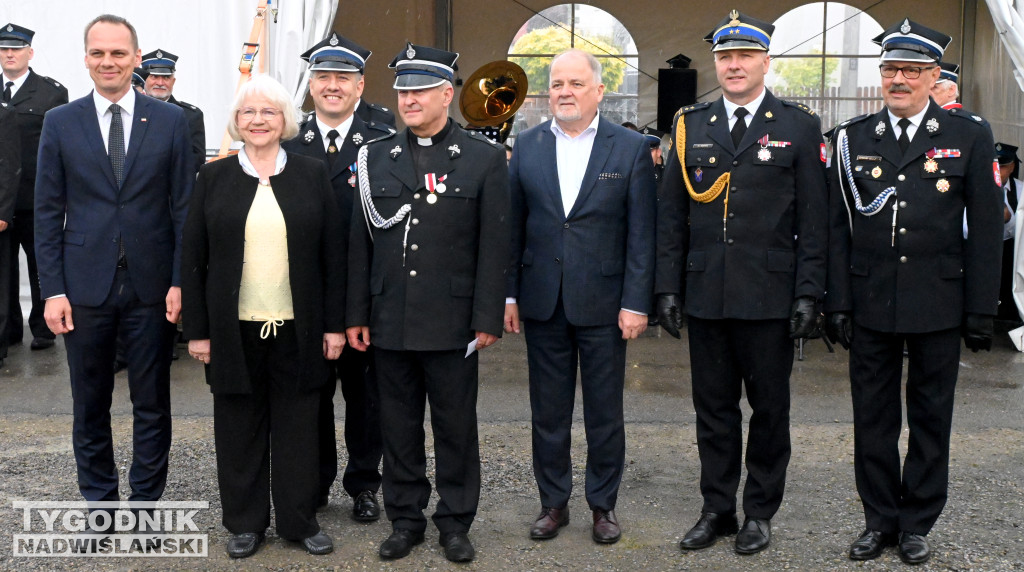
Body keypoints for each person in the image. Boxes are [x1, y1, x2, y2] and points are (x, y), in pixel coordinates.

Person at [824, 19, 1003, 565]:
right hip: (872, 298)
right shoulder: (853, 138)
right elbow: (836, 228)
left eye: (911, 71)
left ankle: (917, 522)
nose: (898, 79)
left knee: (930, 417)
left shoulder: (969, 135)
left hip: (939, 301)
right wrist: (837, 301)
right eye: (890, 70)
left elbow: (988, 226)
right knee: (872, 418)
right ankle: (878, 521)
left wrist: (980, 308)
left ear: (933, 77)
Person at [655, 10, 827, 555]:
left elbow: (813, 221)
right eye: (725, 57)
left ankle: (759, 511)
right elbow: (671, 217)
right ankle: (717, 508)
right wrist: (667, 288)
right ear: (716, 63)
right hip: (706, 293)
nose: (734, 65)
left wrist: (808, 292)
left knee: (771, 410)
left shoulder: (798, 126)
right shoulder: (690, 124)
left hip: (770, 296)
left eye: (745, 56)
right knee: (714, 410)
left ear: (765, 62)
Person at [346, 42, 508, 563]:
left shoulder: (483, 159)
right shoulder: (373, 157)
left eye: (419, 90)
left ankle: (456, 521)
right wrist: (356, 314)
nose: (408, 99)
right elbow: (359, 246)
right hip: (389, 316)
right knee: (397, 425)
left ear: (446, 93)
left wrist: (487, 316)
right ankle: (405, 518)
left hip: (453, 321)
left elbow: (494, 246)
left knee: (455, 426)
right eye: (402, 90)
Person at [34, 14, 192, 546]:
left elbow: (183, 211)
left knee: (152, 403)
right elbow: (46, 212)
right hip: (83, 290)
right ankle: (100, 508)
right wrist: (52, 290)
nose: (109, 62)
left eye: (119, 54)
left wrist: (179, 281)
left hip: (152, 289)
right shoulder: (60, 122)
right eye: (98, 53)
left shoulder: (169, 123)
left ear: (136, 58)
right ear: (85, 58)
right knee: (90, 403)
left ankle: (146, 511)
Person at [181, 74, 344, 558]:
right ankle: (245, 523)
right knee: (238, 429)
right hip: (234, 331)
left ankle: (299, 521)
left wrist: (335, 325)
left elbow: (333, 257)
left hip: (301, 328)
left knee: (299, 430)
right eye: (248, 113)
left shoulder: (313, 174)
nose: (258, 120)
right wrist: (198, 332)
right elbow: (193, 257)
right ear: (236, 122)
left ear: (285, 121)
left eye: (268, 112)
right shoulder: (213, 177)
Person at [504, 49, 657, 546]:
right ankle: (553, 503)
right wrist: (508, 294)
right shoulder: (525, 146)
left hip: (605, 305)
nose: (564, 92)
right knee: (547, 412)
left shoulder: (630, 148)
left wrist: (636, 302)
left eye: (574, 83)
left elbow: (641, 235)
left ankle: (602, 505)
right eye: (556, 84)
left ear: (598, 91)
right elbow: (513, 229)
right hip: (543, 302)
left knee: (604, 413)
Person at [281, 31, 392, 523]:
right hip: (304, 293)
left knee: (367, 398)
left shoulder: (387, 136)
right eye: (323, 77)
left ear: (360, 86)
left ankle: (365, 484)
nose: (332, 86)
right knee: (312, 393)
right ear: (309, 87)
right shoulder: (289, 139)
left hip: (364, 290)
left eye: (342, 78)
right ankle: (316, 479)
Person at [1, 22, 67, 351]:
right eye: (3, 48)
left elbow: (58, 149)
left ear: (30, 52)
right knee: (3, 271)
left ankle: (43, 327)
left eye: (16, 48)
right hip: (0, 200)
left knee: (41, 263)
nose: (9, 54)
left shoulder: (51, 93)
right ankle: (8, 328)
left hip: (34, 197)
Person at [141, 49, 206, 175]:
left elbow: (196, 161)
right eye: (154, 76)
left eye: (166, 77)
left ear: (173, 81)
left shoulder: (190, 115)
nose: (160, 83)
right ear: (144, 79)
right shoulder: (129, 112)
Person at [995, 143, 1023, 325]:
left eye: (1003, 166)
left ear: (1012, 167)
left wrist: (1008, 218)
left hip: (1009, 249)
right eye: (994, 165)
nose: (998, 171)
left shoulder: (1020, 190)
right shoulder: (975, 186)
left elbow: (1021, 229)